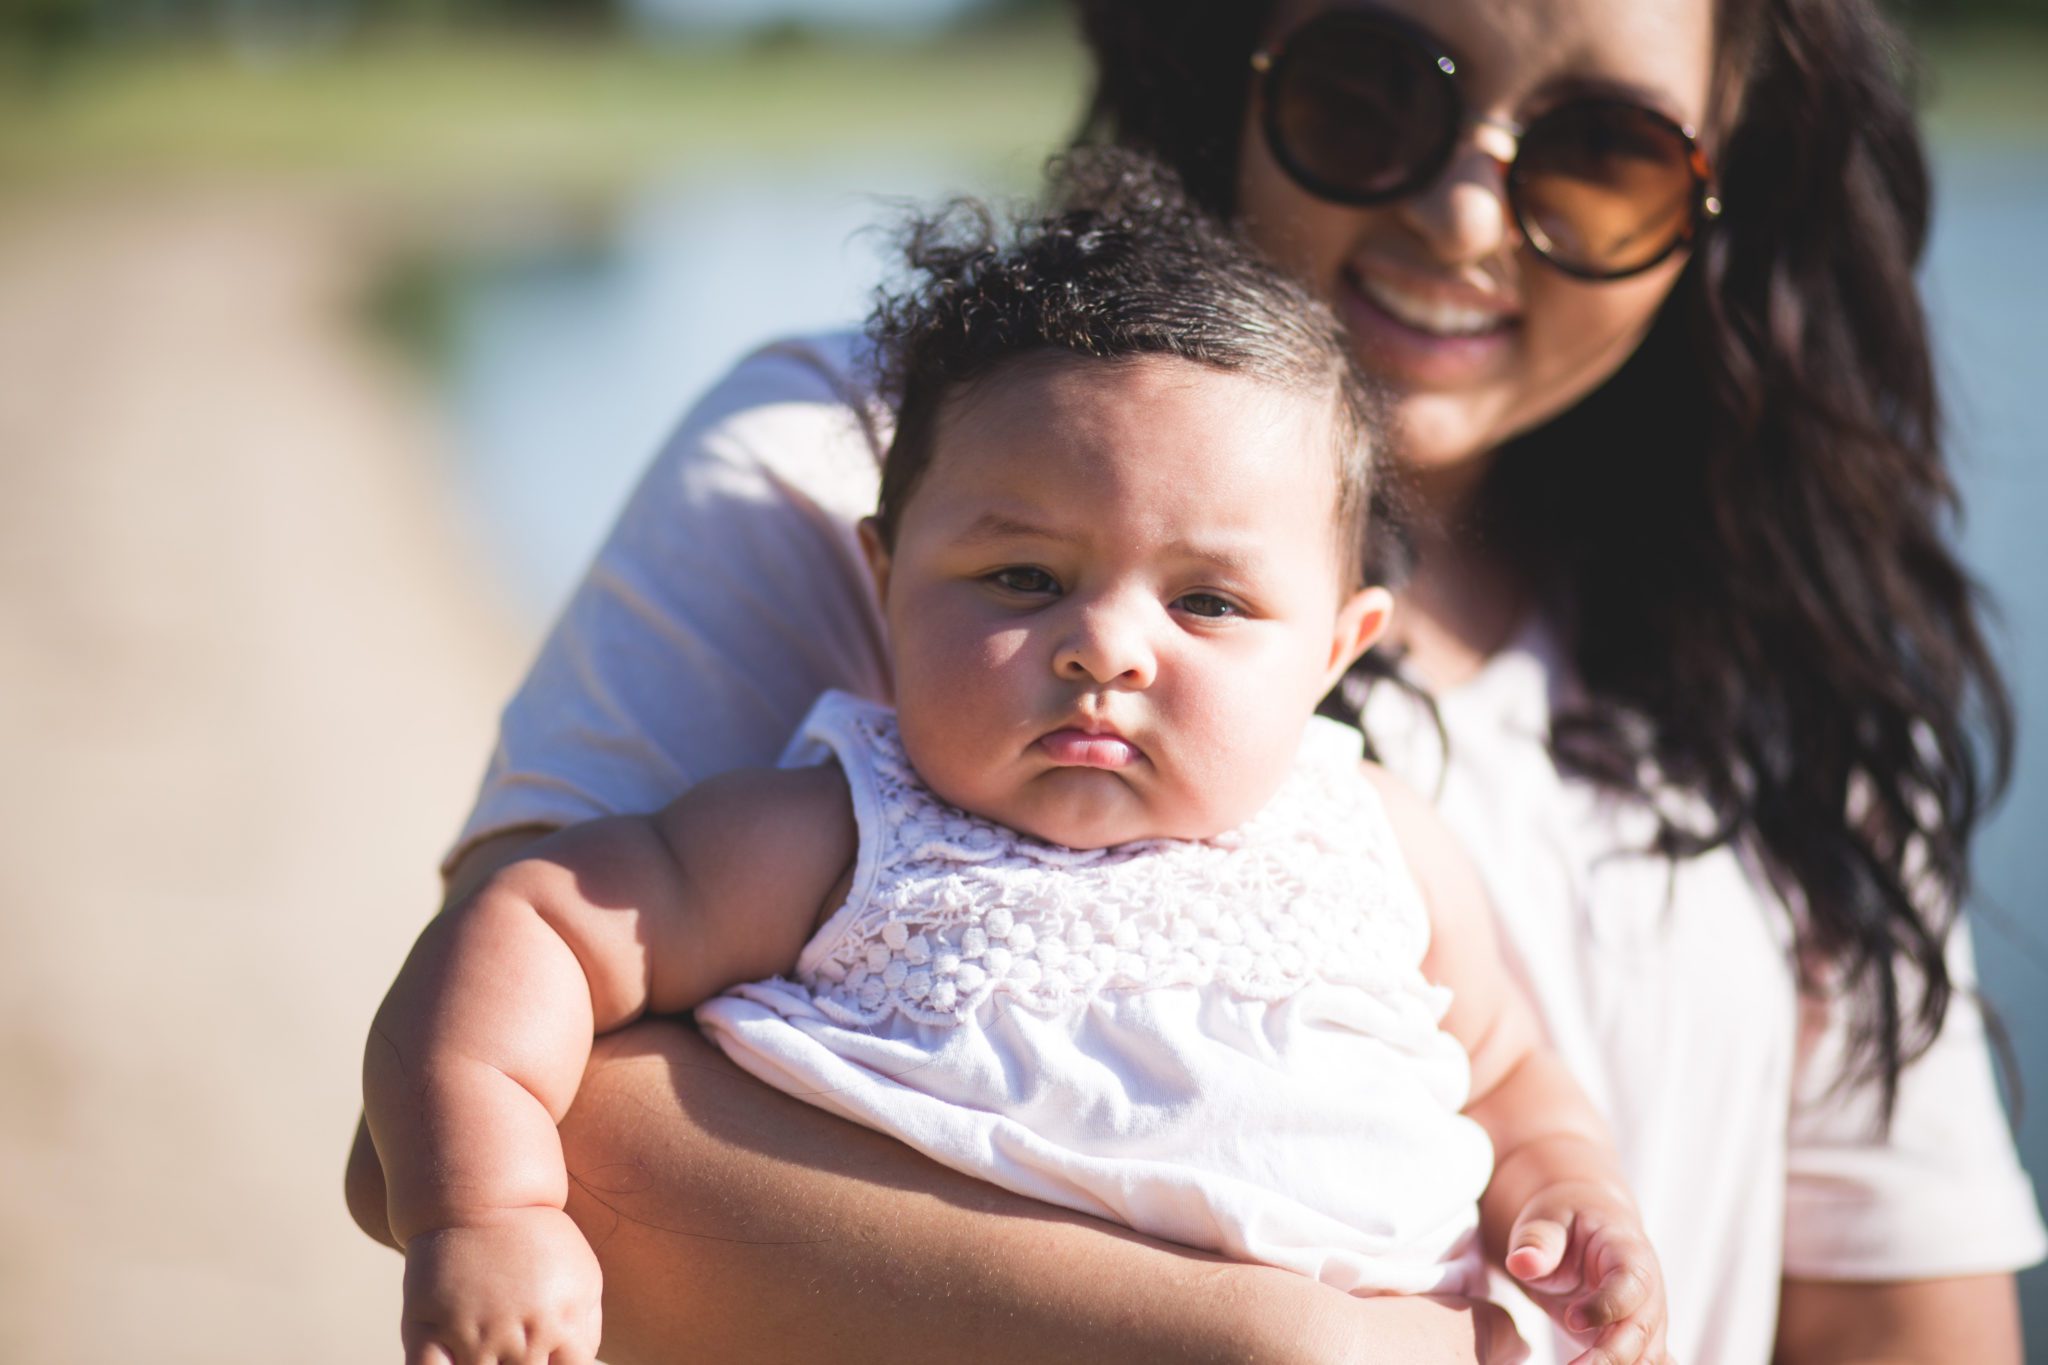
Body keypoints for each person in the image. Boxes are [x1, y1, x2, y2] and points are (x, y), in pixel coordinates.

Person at [345, 0, 2047, 1360]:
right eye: (1375, 88)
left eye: (1603, 154)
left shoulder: (1780, 666)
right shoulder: (848, 467)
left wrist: (1573, 1195)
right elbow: (475, 1101)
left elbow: (1897, 1310)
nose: (1465, 211)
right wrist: (1270, 1343)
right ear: (1228, 57)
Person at [365, 180, 1677, 1365]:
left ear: (1337, 648)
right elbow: (528, 922)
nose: (1103, 645)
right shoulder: (847, 831)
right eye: (1022, 579)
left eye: (1208, 602)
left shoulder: (1381, 838)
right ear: (884, 582)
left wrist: (1573, 1193)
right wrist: (486, 1208)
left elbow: (1506, 1074)